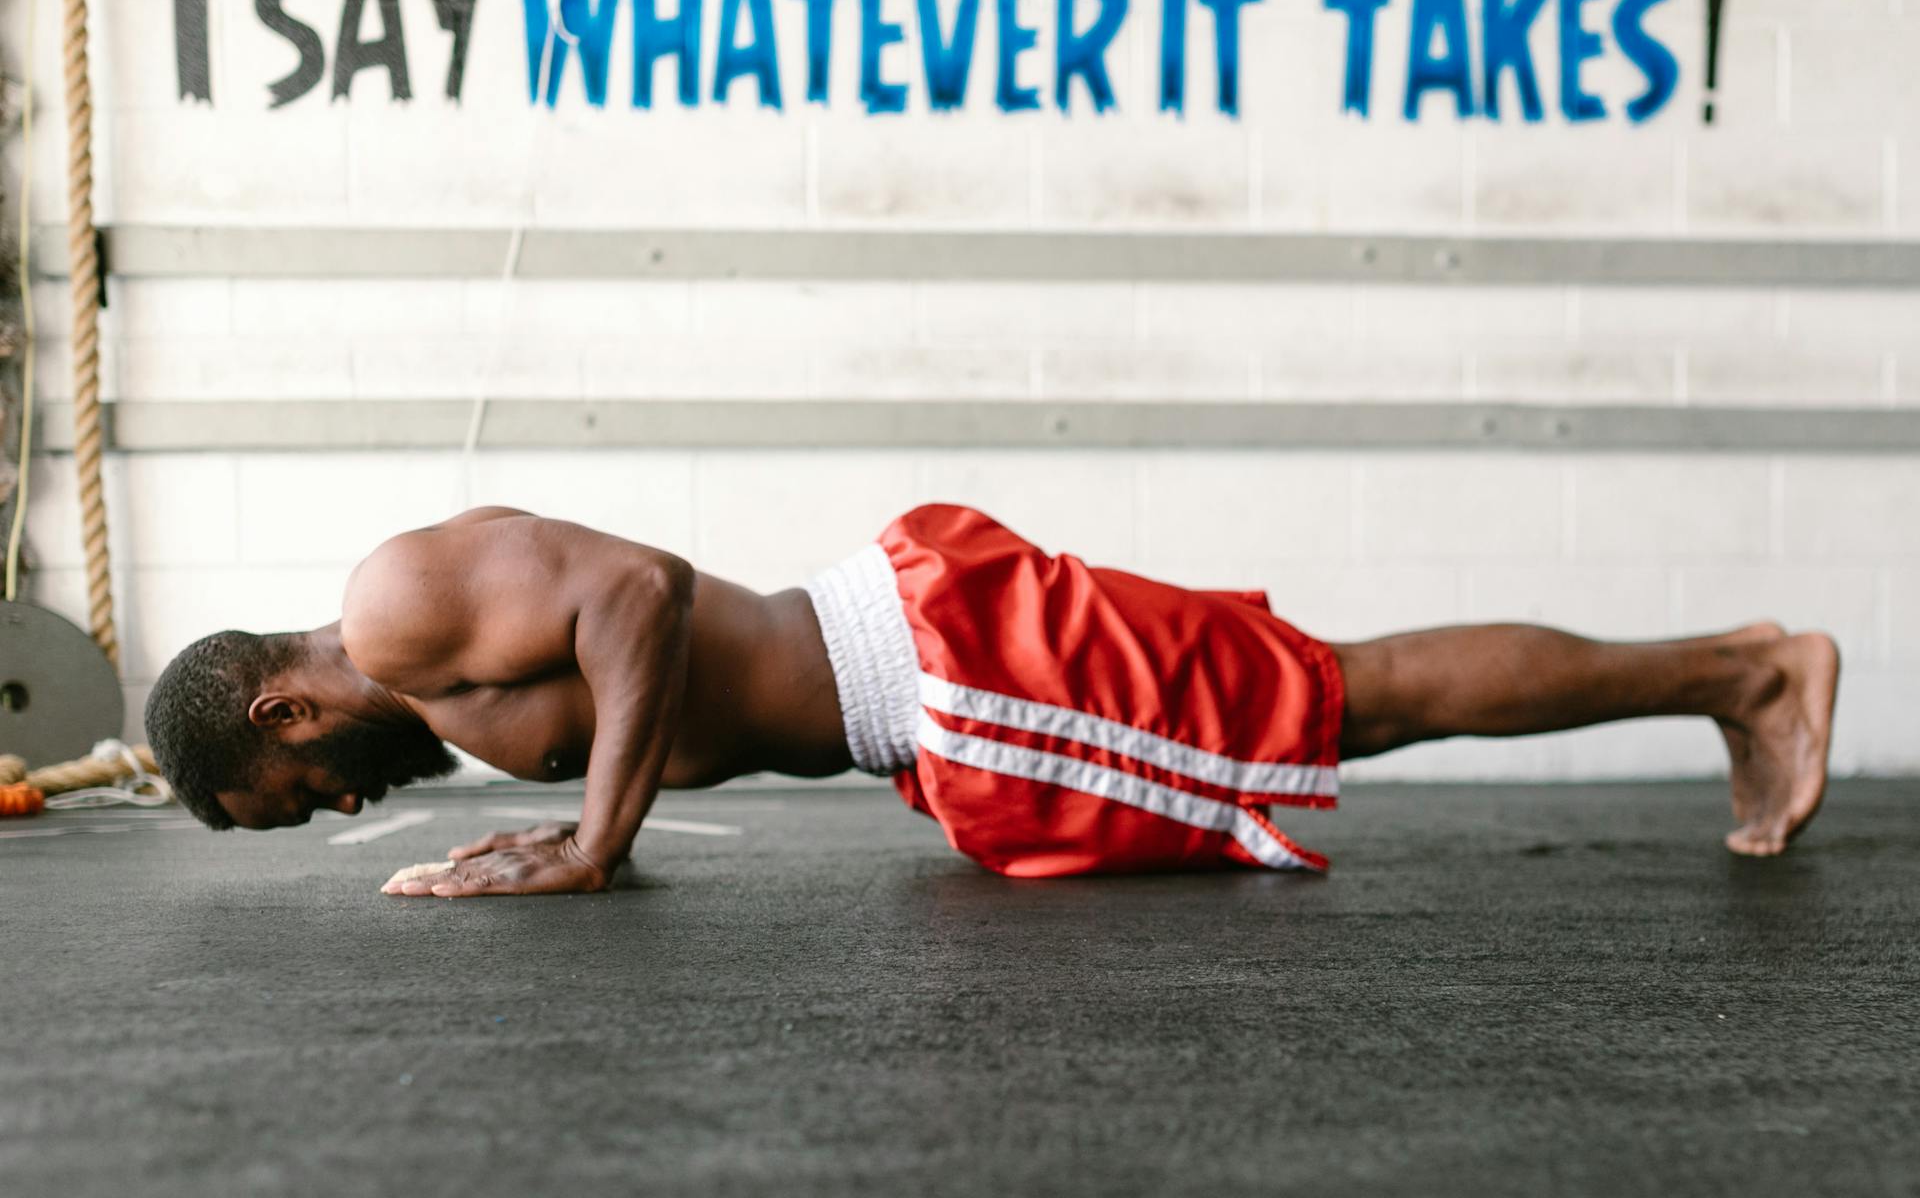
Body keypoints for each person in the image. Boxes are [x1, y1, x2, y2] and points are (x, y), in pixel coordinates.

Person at [144, 503, 1840, 896]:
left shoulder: (390, 607)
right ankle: (1735, 674)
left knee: (1349, 697)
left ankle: (1750, 668)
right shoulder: (431, 697)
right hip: (937, 713)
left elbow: (636, 597)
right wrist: (569, 824)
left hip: (950, 667)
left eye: (302, 799)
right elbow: (613, 673)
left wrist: (597, 842)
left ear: (280, 718)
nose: (343, 816)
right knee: (1345, 695)